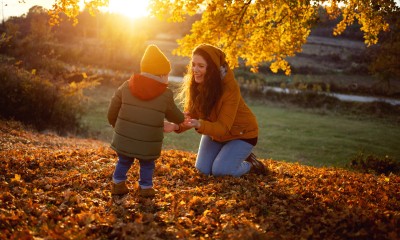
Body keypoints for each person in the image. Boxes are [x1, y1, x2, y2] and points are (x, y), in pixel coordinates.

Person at [164, 43, 267, 177]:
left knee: (221, 171)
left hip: (242, 134)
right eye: (193, 64)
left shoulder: (230, 89)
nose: (195, 69)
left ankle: (251, 165)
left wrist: (200, 124)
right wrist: (175, 126)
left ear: (212, 68)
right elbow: (191, 115)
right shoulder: (197, 84)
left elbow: (223, 127)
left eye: (201, 66)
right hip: (215, 133)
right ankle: (229, 155)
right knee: (203, 170)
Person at [107, 44, 184, 198]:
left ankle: (117, 184)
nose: (168, 78)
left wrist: (117, 126)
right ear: (162, 75)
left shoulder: (126, 86)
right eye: (167, 75)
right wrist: (181, 119)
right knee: (147, 163)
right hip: (149, 140)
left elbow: (112, 110)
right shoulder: (165, 94)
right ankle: (145, 188)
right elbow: (176, 116)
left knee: (124, 161)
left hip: (125, 137)